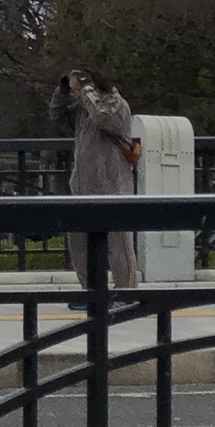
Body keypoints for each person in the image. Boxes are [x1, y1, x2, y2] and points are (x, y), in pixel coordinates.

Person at [50, 66, 138, 287]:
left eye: (78, 89)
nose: (77, 95)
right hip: (82, 185)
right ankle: (90, 289)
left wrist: (87, 89)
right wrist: (61, 92)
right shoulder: (81, 111)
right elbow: (56, 115)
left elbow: (103, 119)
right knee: (78, 242)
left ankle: (125, 291)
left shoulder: (117, 104)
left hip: (112, 185)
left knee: (118, 244)